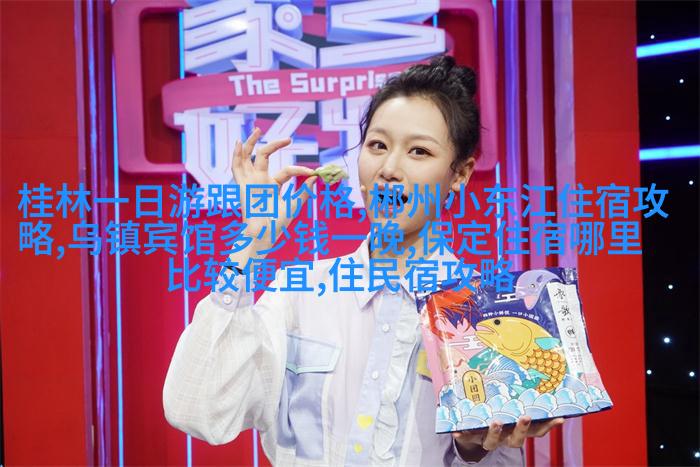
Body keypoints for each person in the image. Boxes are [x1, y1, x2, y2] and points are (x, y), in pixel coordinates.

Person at [163, 55, 564, 466]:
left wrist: (473, 448)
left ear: (460, 173)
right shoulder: (299, 292)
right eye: (377, 145)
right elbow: (197, 408)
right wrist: (251, 243)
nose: (389, 169)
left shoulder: (486, 311)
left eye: (419, 151)